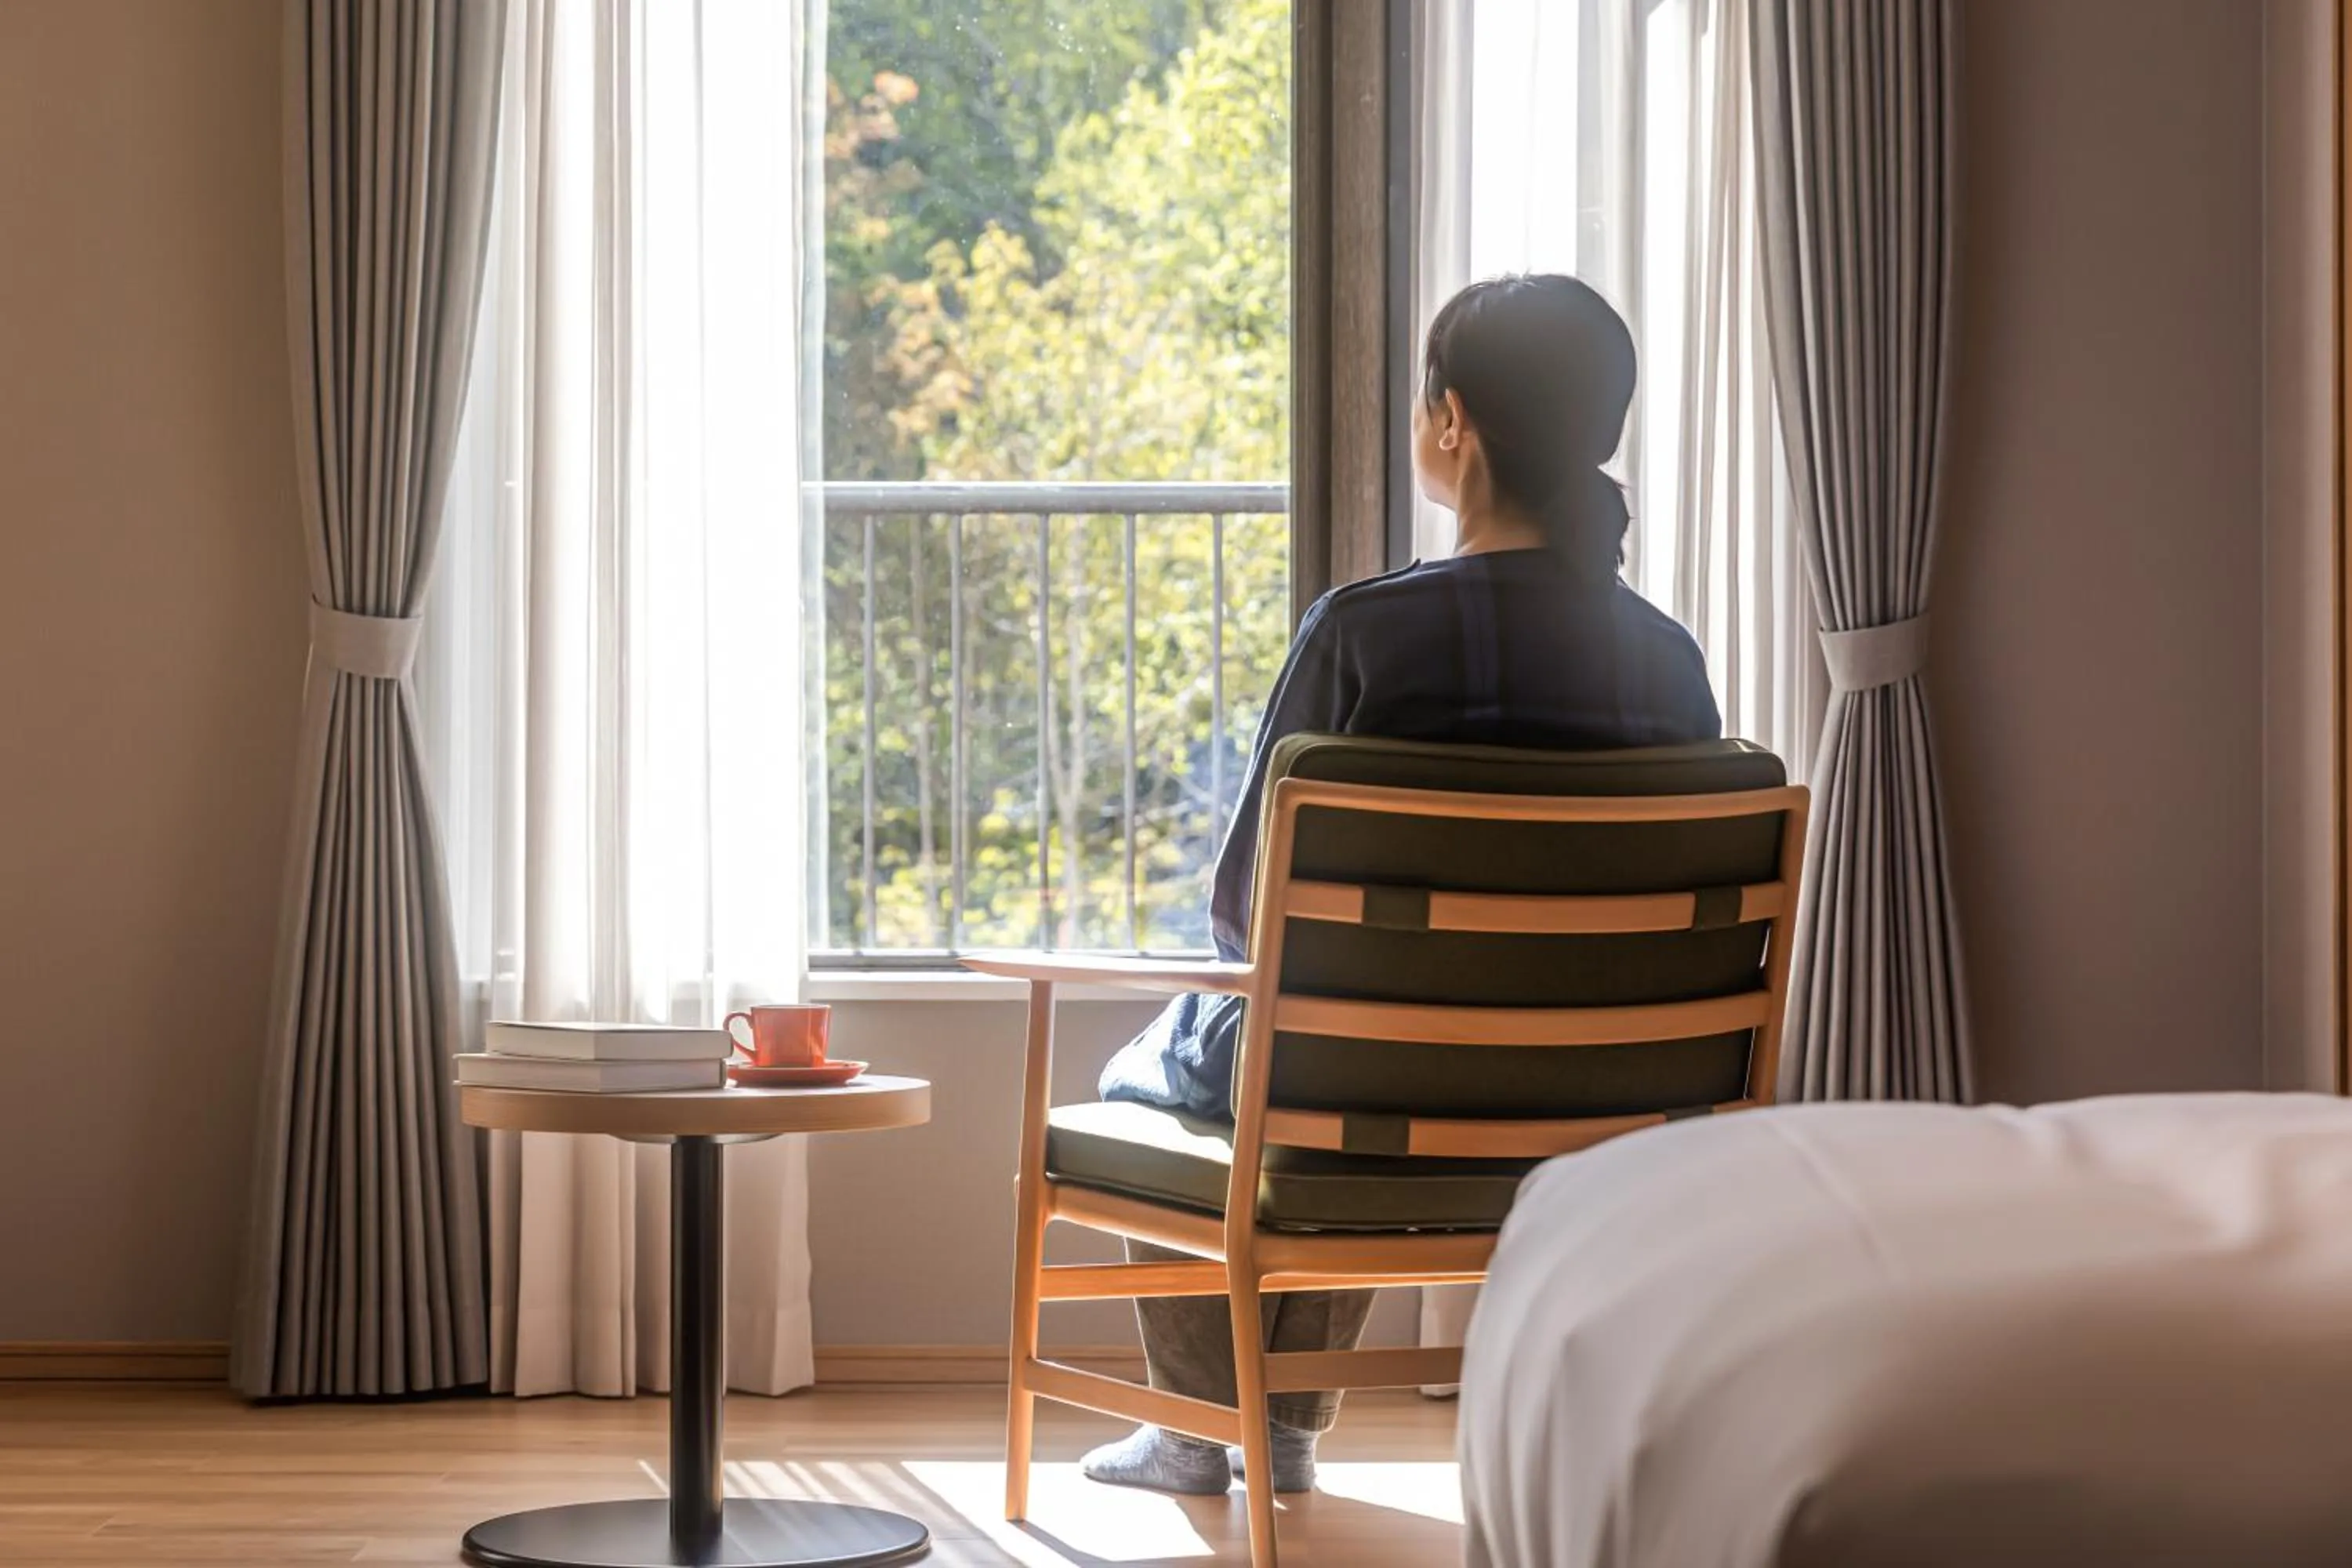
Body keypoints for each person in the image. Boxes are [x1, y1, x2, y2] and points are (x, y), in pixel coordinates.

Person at [1081, 274, 1724, 1497]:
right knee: (1347, 1050)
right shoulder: (1666, 658)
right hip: (1613, 1106)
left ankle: (1204, 1429)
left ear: (1452, 422)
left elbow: (1243, 918)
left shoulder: (1363, 634)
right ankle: (1277, 1432)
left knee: (1196, 1058)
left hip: (1369, 1098)